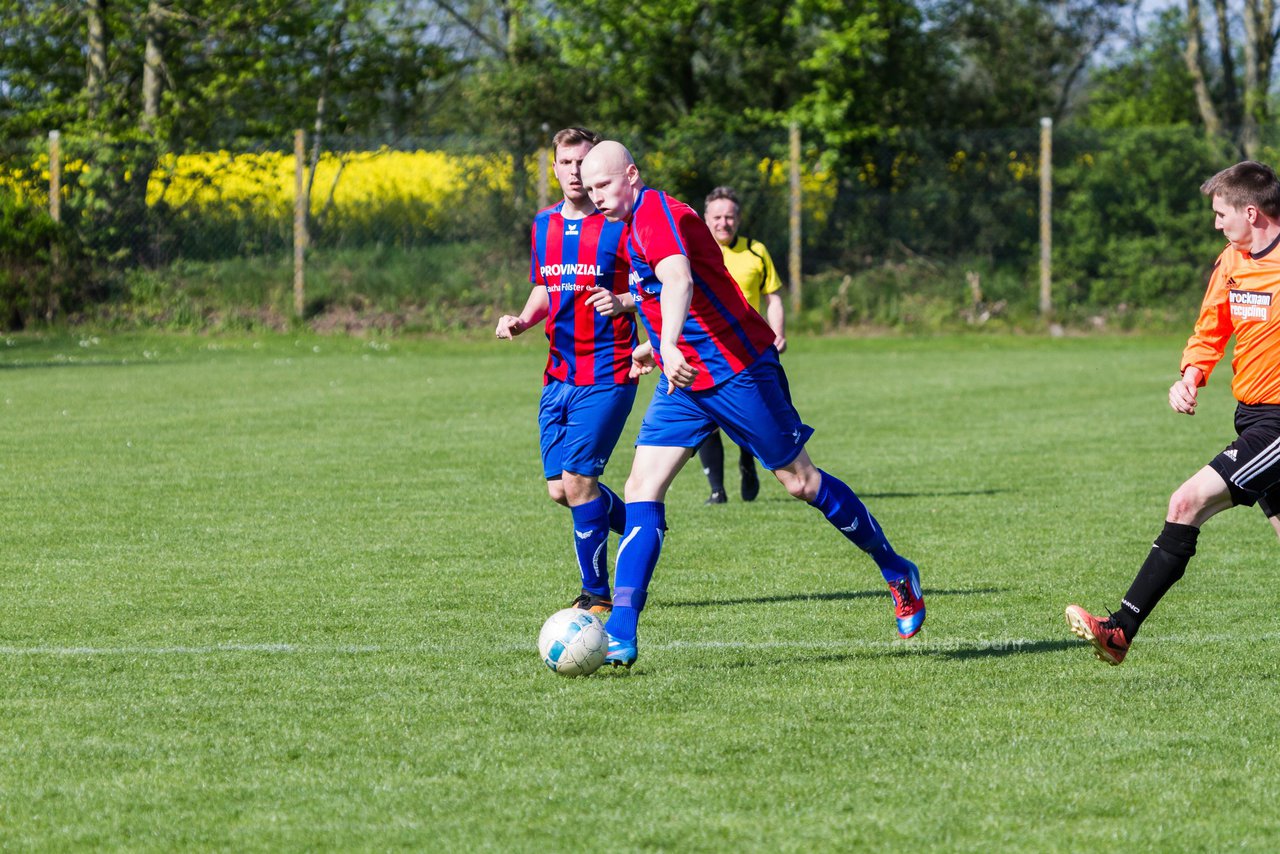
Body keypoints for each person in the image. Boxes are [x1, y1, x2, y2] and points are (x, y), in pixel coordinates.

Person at [578, 140, 923, 668]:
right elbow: (659, 287)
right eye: (589, 187)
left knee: (800, 483)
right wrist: (654, 342)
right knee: (641, 487)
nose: (595, 195)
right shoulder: (625, 226)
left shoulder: (655, 213)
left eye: (603, 184)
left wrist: (666, 344)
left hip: (739, 369)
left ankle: (896, 569)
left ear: (631, 175)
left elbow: (679, 279)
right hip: (687, 380)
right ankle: (621, 629)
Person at [1066, 160, 1280, 666]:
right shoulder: (1233, 259)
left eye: (1221, 213)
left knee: (1186, 502)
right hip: (1249, 414)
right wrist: (1190, 375)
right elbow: (1211, 328)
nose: (1216, 224)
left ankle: (1119, 629)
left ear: (1251, 211)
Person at [495, 128, 639, 615]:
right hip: (557, 375)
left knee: (578, 482)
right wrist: (521, 320)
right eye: (566, 162)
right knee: (561, 490)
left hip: (608, 373)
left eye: (583, 161)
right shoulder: (543, 226)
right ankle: (641, 523)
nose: (575, 171)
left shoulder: (621, 223)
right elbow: (544, 289)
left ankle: (597, 595)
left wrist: (624, 302)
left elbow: (657, 285)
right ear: (553, 167)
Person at [697, 185, 787, 504]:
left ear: (738, 219)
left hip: (748, 349)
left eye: (729, 217)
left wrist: (778, 333)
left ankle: (748, 460)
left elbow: (772, 297)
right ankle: (717, 491)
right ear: (705, 218)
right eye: (717, 217)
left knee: (750, 417)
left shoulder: (756, 251)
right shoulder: (694, 250)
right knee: (707, 419)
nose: (723, 223)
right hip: (705, 347)